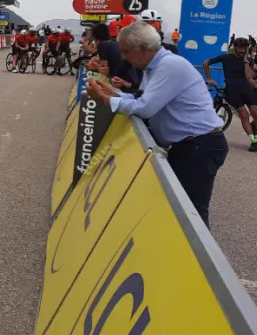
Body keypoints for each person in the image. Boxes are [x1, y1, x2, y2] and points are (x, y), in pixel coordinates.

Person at [86, 22, 228, 227]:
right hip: (190, 145)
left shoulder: (169, 66)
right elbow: (142, 98)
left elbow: (145, 108)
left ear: (143, 48)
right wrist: (114, 93)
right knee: (175, 206)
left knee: (191, 213)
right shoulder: (153, 68)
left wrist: (105, 99)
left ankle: (192, 258)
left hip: (200, 146)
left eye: (126, 52)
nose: (124, 57)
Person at [204, 37, 257, 150]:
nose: (242, 50)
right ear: (235, 47)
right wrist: (209, 78)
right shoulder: (226, 57)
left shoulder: (249, 60)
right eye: (240, 48)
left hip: (247, 89)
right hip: (232, 90)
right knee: (244, 115)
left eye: (245, 48)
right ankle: (253, 141)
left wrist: (246, 61)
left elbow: (249, 76)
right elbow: (206, 63)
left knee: (256, 113)